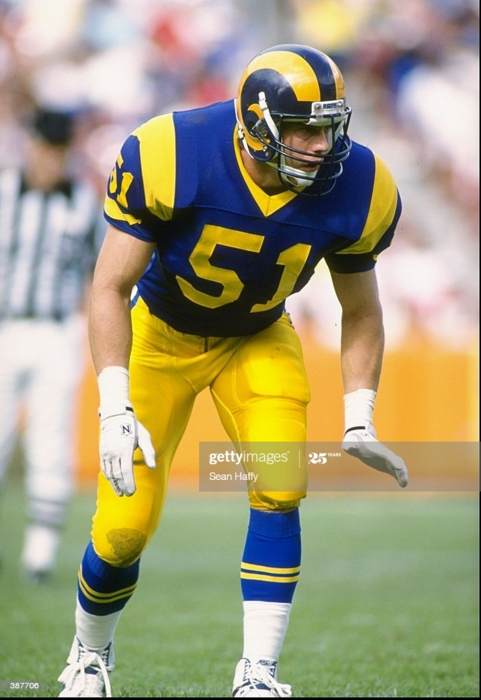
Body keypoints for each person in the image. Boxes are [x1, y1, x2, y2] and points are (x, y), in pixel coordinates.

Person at [57, 44, 409, 698]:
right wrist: (113, 404)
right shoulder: (173, 151)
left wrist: (359, 415)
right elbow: (108, 286)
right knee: (122, 530)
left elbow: (361, 309)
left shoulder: (361, 182)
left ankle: (258, 676)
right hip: (158, 336)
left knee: (280, 486)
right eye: (302, 129)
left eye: (329, 126)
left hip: (257, 337)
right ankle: (89, 654)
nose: (321, 145)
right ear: (256, 124)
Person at [0, 107, 103, 583]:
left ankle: (38, 556)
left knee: (51, 442)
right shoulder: (4, 192)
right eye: (45, 150)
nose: (50, 161)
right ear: (31, 146)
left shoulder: (84, 202)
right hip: (5, 328)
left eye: (59, 152)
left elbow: (100, 274)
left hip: (58, 331)